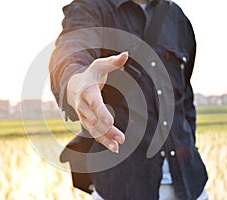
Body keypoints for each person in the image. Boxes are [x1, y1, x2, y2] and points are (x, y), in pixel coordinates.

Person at [49, 0, 208, 199]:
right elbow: (71, 51)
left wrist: (188, 144)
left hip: (190, 186)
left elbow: (183, 96)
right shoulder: (91, 7)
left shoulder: (175, 16)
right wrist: (76, 83)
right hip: (121, 187)